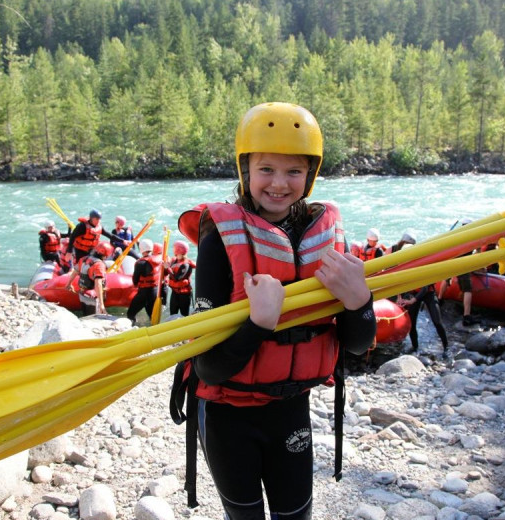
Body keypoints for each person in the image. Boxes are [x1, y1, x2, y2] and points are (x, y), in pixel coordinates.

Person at [171, 102, 376, 519]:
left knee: (295, 516)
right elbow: (208, 368)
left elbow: (358, 346)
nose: (279, 184)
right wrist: (259, 323)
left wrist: (360, 302)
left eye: (293, 171)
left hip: (290, 409)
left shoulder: (327, 237)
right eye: (266, 169)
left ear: (310, 175)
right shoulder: (219, 241)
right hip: (228, 415)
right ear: (245, 170)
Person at [398, 284, 449, 357]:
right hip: (414, 293)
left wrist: (412, 300)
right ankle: (414, 347)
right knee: (411, 324)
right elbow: (400, 282)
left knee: (437, 322)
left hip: (429, 293)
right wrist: (399, 297)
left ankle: (446, 347)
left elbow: (425, 288)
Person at [63, 241, 113, 316]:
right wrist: (101, 304)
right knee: (94, 319)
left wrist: (69, 284)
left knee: (86, 315)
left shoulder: (84, 259)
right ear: (105, 255)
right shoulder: (99, 265)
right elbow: (98, 284)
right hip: (93, 297)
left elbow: (75, 271)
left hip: (82, 294)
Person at [126, 238, 162, 325]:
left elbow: (135, 280)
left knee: (130, 314)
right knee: (151, 316)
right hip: (155, 291)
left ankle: (132, 327)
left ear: (141, 249)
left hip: (144, 293)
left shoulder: (140, 263)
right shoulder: (159, 259)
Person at [166, 239, 195, 316]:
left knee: (184, 314)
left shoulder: (186, 264)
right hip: (175, 292)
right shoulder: (174, 261)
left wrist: (167, 268)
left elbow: (177, 278)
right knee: (173, 313)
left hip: (184, 294)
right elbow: (168, 273)